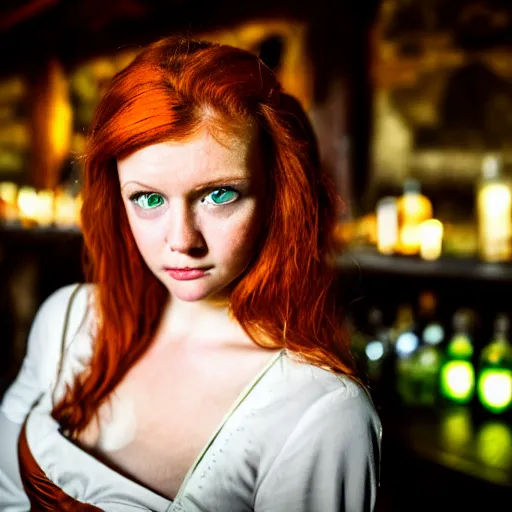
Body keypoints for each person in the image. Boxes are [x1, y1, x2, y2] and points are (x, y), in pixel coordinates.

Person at [0, 36, 381, 511]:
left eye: (219, 195)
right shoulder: (67, 320)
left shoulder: (321, 413)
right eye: (148, 198)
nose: (182, 240)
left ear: (280, 196)